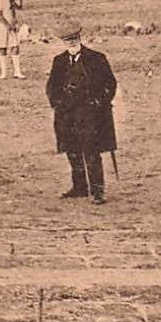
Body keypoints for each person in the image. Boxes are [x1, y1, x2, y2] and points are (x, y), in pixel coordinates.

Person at [46, 21, 118, 204]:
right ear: (63, 41)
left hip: (90, 115)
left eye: (74, 38)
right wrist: (57, 103)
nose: (71, 42)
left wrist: (99, 102)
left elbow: (110, 84)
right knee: (72, 151)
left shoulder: (96, 59)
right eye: (67, 40)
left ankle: (97, 191)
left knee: (91, 152)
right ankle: (79, 187)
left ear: (79, 38)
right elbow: (51, 87)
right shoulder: (59, 61)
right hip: (67, 115)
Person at [0, 0, 24, 79]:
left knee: (15, 46)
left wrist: (14, 22)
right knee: (2, 47)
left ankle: (17, 71)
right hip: (0, 27)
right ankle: (4, 72)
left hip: (11, 26)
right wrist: (8, 25)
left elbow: (13, 11)